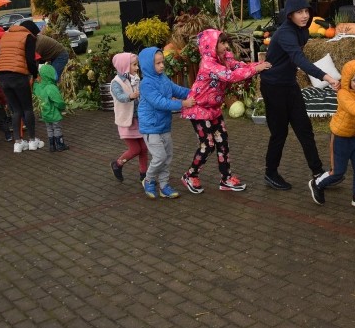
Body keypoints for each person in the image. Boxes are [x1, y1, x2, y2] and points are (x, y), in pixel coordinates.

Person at [260, 0, 340, 190]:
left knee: (305, 129)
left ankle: (318, 173)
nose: (304, 16)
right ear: (289, 15)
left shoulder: (302, 31)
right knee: (279, 133)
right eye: (299, 12)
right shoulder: (285, 33)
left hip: (289, 84)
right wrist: (326, 77)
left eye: (306, 11)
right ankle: (270, 172)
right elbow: (299, 59)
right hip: (273, 87)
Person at [180, 29, 271, 194]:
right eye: (221, 43)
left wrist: (258, 65)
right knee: (207, 145)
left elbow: (239, 67)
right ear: (210, 45)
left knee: (223, 142)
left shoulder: (224, 58)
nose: (226, 46)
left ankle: (226, 179)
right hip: (199, 108)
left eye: (225, 42)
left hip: (214, 109)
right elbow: (231, 76)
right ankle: (190, 175)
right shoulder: (209, 64)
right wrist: (256, 69)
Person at [308, 59, 355, 209]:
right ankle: (317, 184)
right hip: (340, 137)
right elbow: (354, 109)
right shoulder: (343, 94)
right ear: (348, 80)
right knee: (338, 172)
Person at [137, 46, 195, 200]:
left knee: (167, 156)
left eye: (162, 62)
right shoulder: (146, 84)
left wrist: (194, 92)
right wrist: (182, 104)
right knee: (160, 156)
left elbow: (177, 90)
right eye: (158, 63)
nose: (162, 65)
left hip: (164, 125)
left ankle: (164, 186)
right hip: (150, 127)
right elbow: (159, 102)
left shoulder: (163, 78)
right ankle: (148, 180)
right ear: (148, 65)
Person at [0, 19, 43, 152]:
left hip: (2, 76)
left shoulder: (4, 36)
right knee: (27, 108)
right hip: (18, 76)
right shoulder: (28, 37)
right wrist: (35, 74)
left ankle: (18, 143)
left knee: (16, 110)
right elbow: (30, 59)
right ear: (31, 31)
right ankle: (33, 141)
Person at [109, 52, 148, 183]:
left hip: (139, 119)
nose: (137, 68)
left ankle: (144, 174)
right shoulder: (116, 82)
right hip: (127, 121)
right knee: (135, 149)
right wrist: (130, 96)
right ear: (124, 65)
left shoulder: (135, 78)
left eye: (137, 65)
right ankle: (118, 164)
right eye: (134, 65)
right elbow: (119, 97)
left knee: (144, 149)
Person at [34, 63, 69, 152]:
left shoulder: (39, 87)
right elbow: (58, 101)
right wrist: (62, 107)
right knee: (57, 128)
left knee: (49, 129)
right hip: (54, 114)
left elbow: (34, 87)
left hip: (45, 114)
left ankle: (52, 146)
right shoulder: (51, 87)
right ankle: (60, 145)